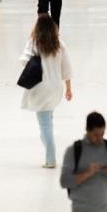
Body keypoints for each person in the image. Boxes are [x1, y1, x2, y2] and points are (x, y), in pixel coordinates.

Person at [19, 14, 72, 169]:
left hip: (40, 86)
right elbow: (66, 68)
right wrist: (68, 88)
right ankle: (48, 147)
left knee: (44, 124)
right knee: (47, 119)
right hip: (55, 87)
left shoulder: (34, 42)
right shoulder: (59, 44)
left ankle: (50, 158)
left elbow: (23, 60)